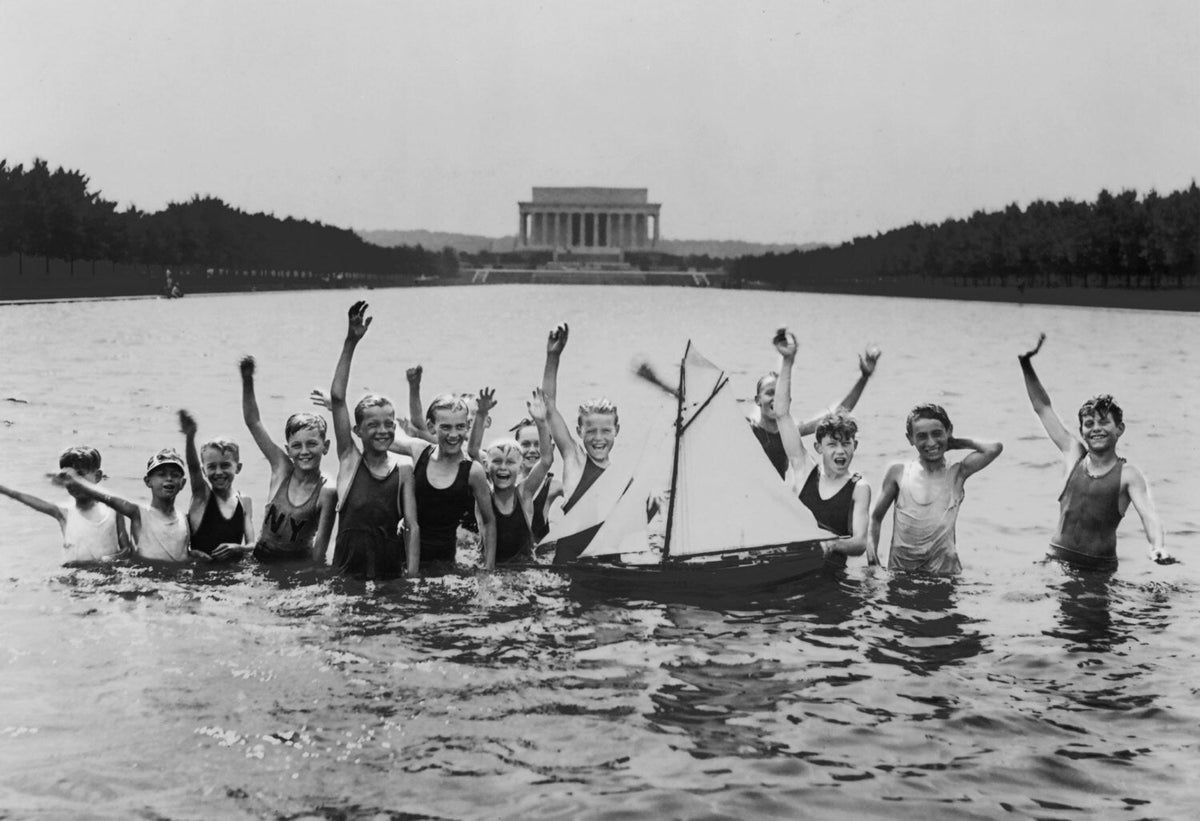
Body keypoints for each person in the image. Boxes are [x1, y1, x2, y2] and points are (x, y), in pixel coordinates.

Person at [1018, 333, 1168, 568]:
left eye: (1103, 423)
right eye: (1089, 424)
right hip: (1056, 561)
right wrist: (1025, 364)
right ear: (1082, 430)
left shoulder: (1128, 475)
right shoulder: (1073, 454)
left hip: (1097, 571)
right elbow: (1042, 407)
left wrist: (1157, 546)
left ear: (1119, 429)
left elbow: (1149, 515)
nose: (1096, 429)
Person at [328, 301, 419, 579]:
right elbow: (338, 398)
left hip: (388, 574)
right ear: (358, 431)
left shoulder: (403, 468)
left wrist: (413, 577)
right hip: (347, 574)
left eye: (388, 424)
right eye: (373, 425)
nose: (382, 431)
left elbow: (412, 527)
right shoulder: (349, 459)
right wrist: (350, 342)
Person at [771, 330, 870, 565]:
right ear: (818, 447)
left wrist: (832, 544)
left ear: (855, 445)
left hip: (830, 576)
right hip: (790, 568)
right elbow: (782, 414)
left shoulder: (860, 488)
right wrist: (787, 361)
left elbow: (859, 543)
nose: (840, 451)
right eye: (832, 444)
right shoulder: (804, 470)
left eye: (846, 444)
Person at [867, 405, 1003, 574]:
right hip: (901, 573)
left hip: (944, 573)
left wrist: (954, 442)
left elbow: (994, 448)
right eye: (922, 436)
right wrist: (872, 560)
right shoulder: (899, 472)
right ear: (910, 439)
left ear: (948, 431)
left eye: (937, 434)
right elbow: (875, 517)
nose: (931, 442)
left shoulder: (957, 473)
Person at [239, 356, 337, 564]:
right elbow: (253, 422)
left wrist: (335, 407)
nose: (304, 452)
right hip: (260, 559)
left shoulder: (327, 491)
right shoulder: (281, 468)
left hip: (296, 565)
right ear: (288, 450)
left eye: (312, 444)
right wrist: (247, 381)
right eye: (296, 446)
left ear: (325, 447)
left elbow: (321, 548)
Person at [749, 343, 882, 479]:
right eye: (770, 393)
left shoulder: (791, 432)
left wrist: (864, 378)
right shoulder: (746, 428)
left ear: (788, 400)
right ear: (757, 400)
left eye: (779, 394)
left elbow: (839, 412)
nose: (776, 398)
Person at [55, 448, 197, 563]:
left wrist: (196, 554)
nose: (169, 479)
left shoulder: (184, 518)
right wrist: (78, 483)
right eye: (161, 474)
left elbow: (184, 550)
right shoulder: (139, 512)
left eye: (175, 475)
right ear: (148, 481)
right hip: (149, 581)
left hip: (176, 580)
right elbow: (110, 500)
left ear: (183, 483)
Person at [410, 392, 497, 571]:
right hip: (406, 555)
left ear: (467, 426)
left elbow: (489, 521)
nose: (454, 434)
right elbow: (383, 437)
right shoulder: (419, 451)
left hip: (445, 560)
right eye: (446, 427)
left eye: (460, 427)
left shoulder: (473, 471)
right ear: (431, 427)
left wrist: (489, 567)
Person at [0, 446, 131, 564]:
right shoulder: (64, 512)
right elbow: (18, 495)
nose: (73, 481)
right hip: (74, 578)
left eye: (79, 474)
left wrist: (110, 559)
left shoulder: (113, 511)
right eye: (67, 476)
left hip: (107, 576)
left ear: (97, 476)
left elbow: (126, 549)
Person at [540, 323, 618, 514]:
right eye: (591, 431)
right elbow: (549, 408)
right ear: (579, 432)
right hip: (571, 544)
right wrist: (553, 357)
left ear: (617, 430)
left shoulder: (622, 478)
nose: (598, 438)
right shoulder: (574, 458)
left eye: (606, 431)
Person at [475, 388, 554, 565]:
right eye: (498, 462)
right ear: (487, 467)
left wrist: (541, 423)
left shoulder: (524, 493)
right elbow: (473, 451)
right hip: (492, 569)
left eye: (510, 463)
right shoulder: (483, 494)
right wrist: (481, 415)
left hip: (523, 569)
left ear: (519, 468)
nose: (503, 468)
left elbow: (547, 459)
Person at [179, 410, 254, 562]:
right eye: (212, 467)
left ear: (238, 467)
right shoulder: (202, 497)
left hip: (234, 578)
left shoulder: (244, 501)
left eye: (225, 465)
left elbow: (252, 544)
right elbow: (192, 468)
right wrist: (190, 437)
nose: (219, 472)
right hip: (201, 578)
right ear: (204, 471)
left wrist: (239, 548)